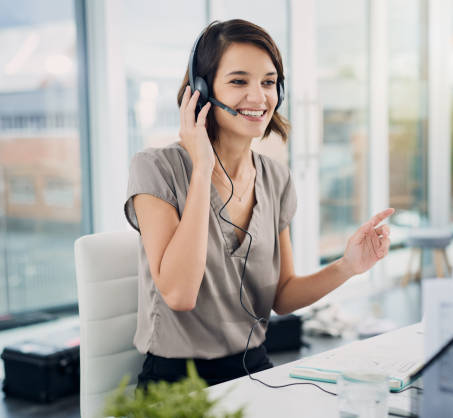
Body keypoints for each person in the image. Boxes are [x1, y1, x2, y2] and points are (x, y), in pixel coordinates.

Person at [124, 19, 393, 389]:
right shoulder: (157, 169)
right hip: (176, 383)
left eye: (268, 82)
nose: (258, 97)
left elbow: (282, 297)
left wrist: (348, 266)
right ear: (200, 91)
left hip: (254, 371)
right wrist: (201, 168)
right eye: (238, 81)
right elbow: (179, 294)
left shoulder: (275, 178)